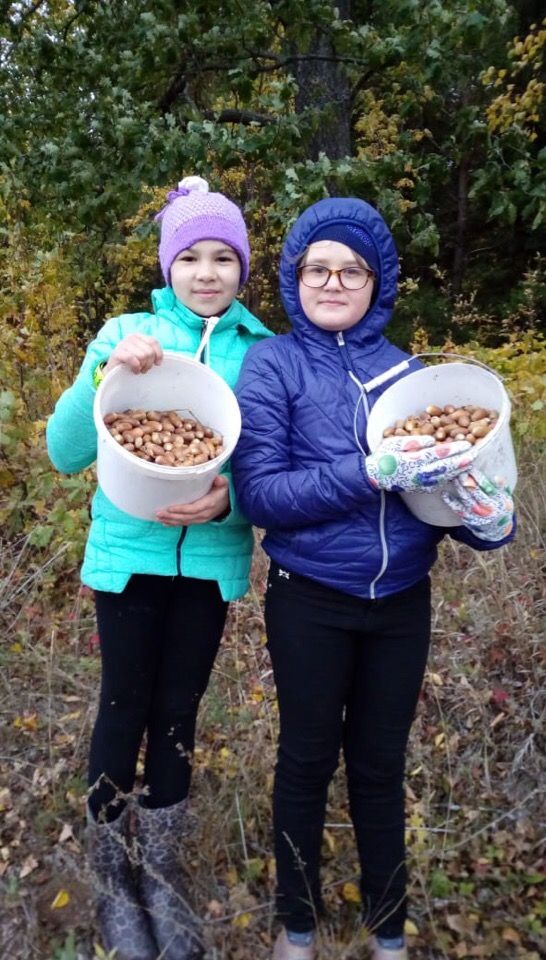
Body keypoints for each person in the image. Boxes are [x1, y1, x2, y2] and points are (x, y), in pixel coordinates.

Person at [231, 196, 515, 960]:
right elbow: (263, 496)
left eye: (350, 269)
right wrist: (367, 471)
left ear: (376, 280)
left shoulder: (414, 375)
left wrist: (486, 519)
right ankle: (297, 922)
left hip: (400, 604)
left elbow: (443, 493)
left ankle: (388, 929)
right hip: (311, 601)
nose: (333, 281)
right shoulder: (274, 364)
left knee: (381, 765)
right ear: (295, 278)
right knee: (306, 757)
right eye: (316, 268)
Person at [46, 176, 272, 960]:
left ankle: (164, 884)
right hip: (130, 560)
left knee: (178, 717)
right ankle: (114, 886)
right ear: (167, 264)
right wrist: (102, 368)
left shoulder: (264, 352)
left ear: (244, 268)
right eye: (191, 257)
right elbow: (66, 450)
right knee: (122, 709)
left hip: (209, 566)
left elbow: (270, 471)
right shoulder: (129, 331)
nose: (207, 273)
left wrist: (231, 502)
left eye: (223, 258)